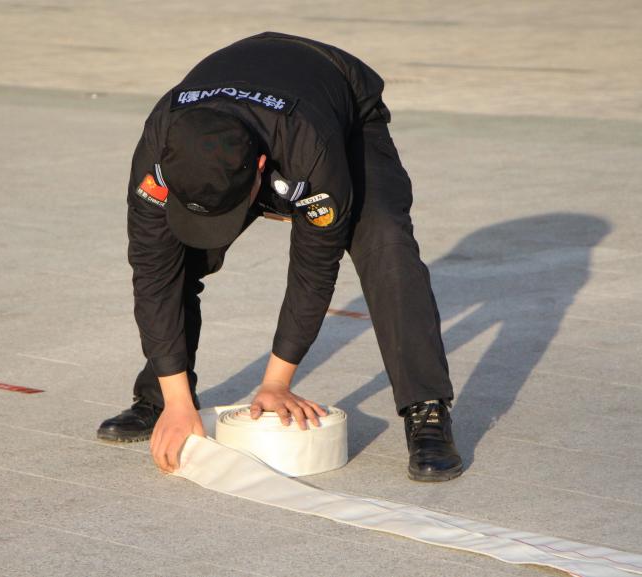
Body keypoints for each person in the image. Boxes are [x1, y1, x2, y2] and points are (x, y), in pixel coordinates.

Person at [97, 32, 463, 482]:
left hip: (336, 107)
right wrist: (177, 402)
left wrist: (275, 382)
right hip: (252, 106)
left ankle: (426, 408)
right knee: (177, 253)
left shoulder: (311, 150)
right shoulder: (161, 143)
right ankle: (162, 395)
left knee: (385, 242)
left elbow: (314, 269)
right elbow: (152, 272)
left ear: (258, 169)